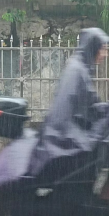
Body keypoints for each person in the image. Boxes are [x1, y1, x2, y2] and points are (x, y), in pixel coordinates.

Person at [28, 27, 109, 184]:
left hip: (68, 134)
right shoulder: (77, 69)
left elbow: (89, 104)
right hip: (65, 138)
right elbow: (70, 108)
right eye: (103, 49)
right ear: (93, 47)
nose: (105, 55)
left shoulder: (81, 68)